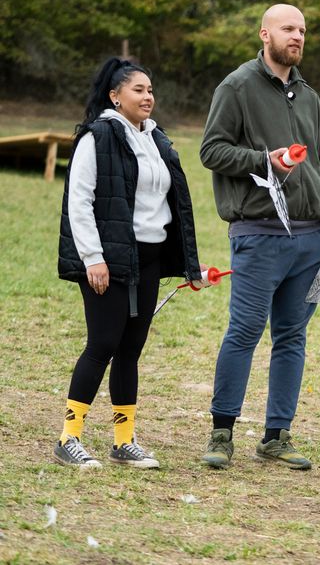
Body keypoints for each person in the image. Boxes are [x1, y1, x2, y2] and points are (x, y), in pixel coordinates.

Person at [199, 4, 320, 470]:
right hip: (259, 234)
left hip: (311, 238)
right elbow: (211, 150)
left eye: (302, 30)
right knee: (244, 331)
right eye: (288, 29)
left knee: (292, 338)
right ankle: (222, 433)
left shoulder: (309, 95)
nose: (297, 37)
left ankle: (277, 435)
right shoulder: (237, 86)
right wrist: (265, 160)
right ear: (265, 34)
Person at [55, 57, 202, 469]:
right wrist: (93, 258)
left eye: (151, 90)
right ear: (115, 95)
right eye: (138, 90)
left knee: (130, 351)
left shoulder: (157, 140)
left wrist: (189, 265)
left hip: (149, 259)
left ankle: (123, 441)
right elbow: (78, 202)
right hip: (109, 259)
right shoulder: (97, 137)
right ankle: (69, 437)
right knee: (102, 344)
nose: (148, 97)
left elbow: (175, 206)